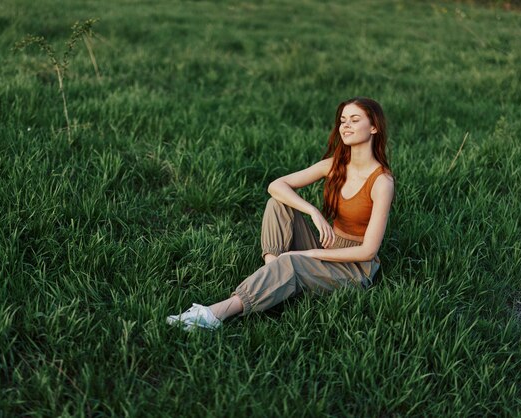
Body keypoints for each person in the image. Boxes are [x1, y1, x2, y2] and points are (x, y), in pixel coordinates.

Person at [167, 97, 395, 331]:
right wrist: (312, 211)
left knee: (293, 262)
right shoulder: (334, 165)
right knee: (278, 204)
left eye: (354, 120)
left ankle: (215, 315)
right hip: (329, 246)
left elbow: (368, 251)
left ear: (374, 127)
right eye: (343, 120)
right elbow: (276, 185)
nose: (345, 126)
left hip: (354, 269)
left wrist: (309, 254)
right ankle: (273, 276)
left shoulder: (382, 182)